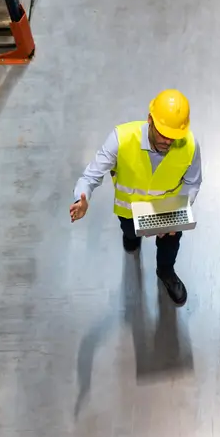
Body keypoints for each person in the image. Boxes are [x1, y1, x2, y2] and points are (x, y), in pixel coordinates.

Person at [70, 89, 202, 305]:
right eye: (162, 133)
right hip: (129, 212)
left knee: (170, 245)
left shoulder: (190, 145)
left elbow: (192, 182)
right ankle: (132, 239)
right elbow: (92, 174)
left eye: (174, 136)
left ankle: (166, 272)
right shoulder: (121, 139)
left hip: (166, 211)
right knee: (131, 236)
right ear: (150, 120)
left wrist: (176, 213)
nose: (168, 141)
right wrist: (81, 198)